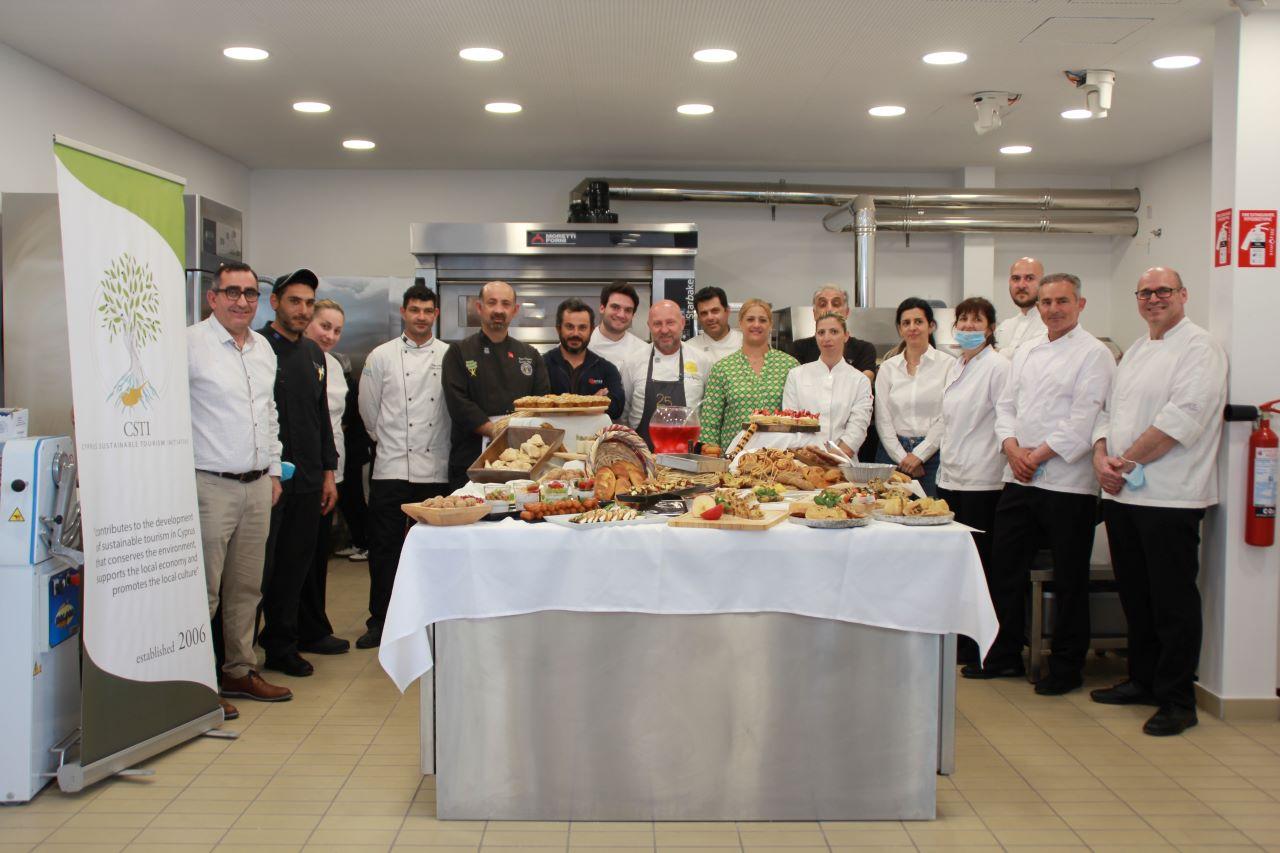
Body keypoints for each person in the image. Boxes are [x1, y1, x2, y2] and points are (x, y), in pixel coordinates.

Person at [1090, 268, 1227, 736]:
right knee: (1136, 596)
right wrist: (1101, 456)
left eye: (1163, 291)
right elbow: (1107, 412)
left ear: (1183, 295)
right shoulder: (1136, 350)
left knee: (1172, 601)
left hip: (1171, 496)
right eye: (1145, 292)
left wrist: (1124, 461)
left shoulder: (1200, 348)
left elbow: (1181, 419)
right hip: (1123, 494)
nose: (1153, 299)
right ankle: (1142, 680)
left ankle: (1177, 699)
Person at [971, 273, 1115, 695]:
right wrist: (1012, 448)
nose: (1053, 309)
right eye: (1046, 302)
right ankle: (1004, 655)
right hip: (1019, 478)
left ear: (1080, 304)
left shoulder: (1095, 354)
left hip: (1068, 485)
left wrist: (1035, 457)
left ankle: (1067, 667)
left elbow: (1084, 419)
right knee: (1005, 570)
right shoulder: (1028, 351)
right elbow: (1006, 406)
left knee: (1069, 578)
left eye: (1062, 301)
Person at [187, 262, 292, 716]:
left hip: (256, 485)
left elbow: (268, 414)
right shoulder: (189, 345)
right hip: (209, 484)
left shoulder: (263, 348)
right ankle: (195, 684)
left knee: (247, 588)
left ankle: (239, 670)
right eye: (232, 292)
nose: (242, 301)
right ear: (212, 298)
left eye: (250, 293)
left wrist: (273, 471)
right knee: (204, 590)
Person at [357, 283, 453, 649]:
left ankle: (431, 618)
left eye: (428, 311)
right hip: (392, 468)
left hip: (436, 468)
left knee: (432, 550)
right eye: (415, 310)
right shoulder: (380, 356)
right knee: (385, 549)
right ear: (403, 312)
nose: (421, 317)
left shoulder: (449, 355)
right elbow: (369, 411)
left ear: (436, 314)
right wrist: (390, 442)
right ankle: (381, 621)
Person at [259, 269, 340, 679]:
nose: (303, 310)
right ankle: (235, 654)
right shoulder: (257, 348)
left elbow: (321, 417)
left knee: (295, 566)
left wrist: (328, 472)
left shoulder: (313, 354)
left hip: (308, 479)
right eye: (295, 301)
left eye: (309, 302)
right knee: (260, 571)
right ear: (275, 302)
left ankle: (281, 645)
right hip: (267, 480)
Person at [935, 297, 1010, 666]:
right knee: (957, 568)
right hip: (951, 477)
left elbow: (1005, 420)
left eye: (976, 321)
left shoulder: (998, 367)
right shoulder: (956, 365)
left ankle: (989, 649)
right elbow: (946, 421)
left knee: (982, 569)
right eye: (962, 321)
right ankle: (963, 643)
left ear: (990, 328)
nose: (967, 327)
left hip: (983, 480)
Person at [442, 280, 551, 484]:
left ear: (515, 310)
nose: (499, 310)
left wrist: (514, 433)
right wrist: (495, 430)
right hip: (470, 459)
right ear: (479, 307)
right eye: (492, 303)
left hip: (522, 458)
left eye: (505, 304)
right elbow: (458, 403)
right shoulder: (458, 352)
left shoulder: (530, 355)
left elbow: (541, 402)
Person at [296, 299, 350, 659]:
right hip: (305, 471)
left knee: (319, 554)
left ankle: (314, 626)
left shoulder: (332, 365)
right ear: (307, 323)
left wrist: (332, 471)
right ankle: (298, 629)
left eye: (337, 330)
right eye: (324, 326)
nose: (330, 336)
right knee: (299, 556)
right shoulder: (292, 359)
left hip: (332, 470)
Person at [874, 298, 953, 496]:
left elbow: (947, 416)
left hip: (934, 456)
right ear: (900, 329)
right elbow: (882, 418)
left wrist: (920, 455)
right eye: (906, 323)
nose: (912, 328)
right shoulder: (888, 368)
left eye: (918, 321)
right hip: (891, 453)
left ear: (931, 326)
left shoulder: (949, 365)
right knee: (884, 510)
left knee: (933, 510)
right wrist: (902, 457)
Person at [699, 298, 799, 449]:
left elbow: (797, 419)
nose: (756, 325)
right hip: (732, 458)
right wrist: (710, 454)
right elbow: (710, 425)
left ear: (771, 325)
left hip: (777, 456)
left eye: (763, 320)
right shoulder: (722, 369)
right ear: (740, 323)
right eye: (750, 319)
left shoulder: (789, 366)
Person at [621, 300, 714, 448]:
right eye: (657, 324)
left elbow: (710, 414)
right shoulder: (632, 362)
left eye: (670, 323)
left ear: (682, 323)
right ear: (649, 326)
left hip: (689, 454)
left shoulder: (703, 361)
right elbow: (623, 415)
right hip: (641, 454)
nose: (664, 330)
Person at [781, 312, 872, 455]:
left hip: (843, 461)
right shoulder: (796, 375)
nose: (827, 338)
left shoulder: (860, 381)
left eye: (834, 332)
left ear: (846, 336)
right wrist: (810, 455)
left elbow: (858, 426)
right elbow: (791, 422)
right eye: (821, 332)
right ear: (815, 336)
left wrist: (836, 456)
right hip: (803, 460)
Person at [543, 298, 625, 421]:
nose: (575, 333)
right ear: (558, 329)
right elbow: (533, 405)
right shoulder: (541, 365)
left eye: (582, 328)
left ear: (591, 330)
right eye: (569, 327)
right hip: (550, 432)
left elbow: (617, 408)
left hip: (593, 433)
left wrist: (557, 403)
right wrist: (592, 403)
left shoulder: (607, 369)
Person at [787, 286, 878, 381]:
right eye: (823, 304)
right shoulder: (798, 348)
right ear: (814, 313)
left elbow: (863, 381)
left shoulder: (864, 349)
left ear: (847, 312)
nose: (829, 309)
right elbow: (795, 381)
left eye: (836, 304)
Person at [588, 281, 650, 367]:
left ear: (633, 315)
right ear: (602, 308)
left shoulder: (644, 351)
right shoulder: (583, 344)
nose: (621, 315)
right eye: (615, 307)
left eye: (628, 310)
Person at [995, 257, 1046, 352]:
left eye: (1029, 278)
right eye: (1016, 278)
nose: (1021, 285)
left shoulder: (1051, 326)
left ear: (1043, 283)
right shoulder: (1004, 327)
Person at [687, 286, 742, 365]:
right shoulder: (689, 348)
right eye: (704, 313)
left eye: (715, 311)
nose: (710, 317)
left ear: (727, 311)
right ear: (698, 318)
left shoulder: (745, 342)